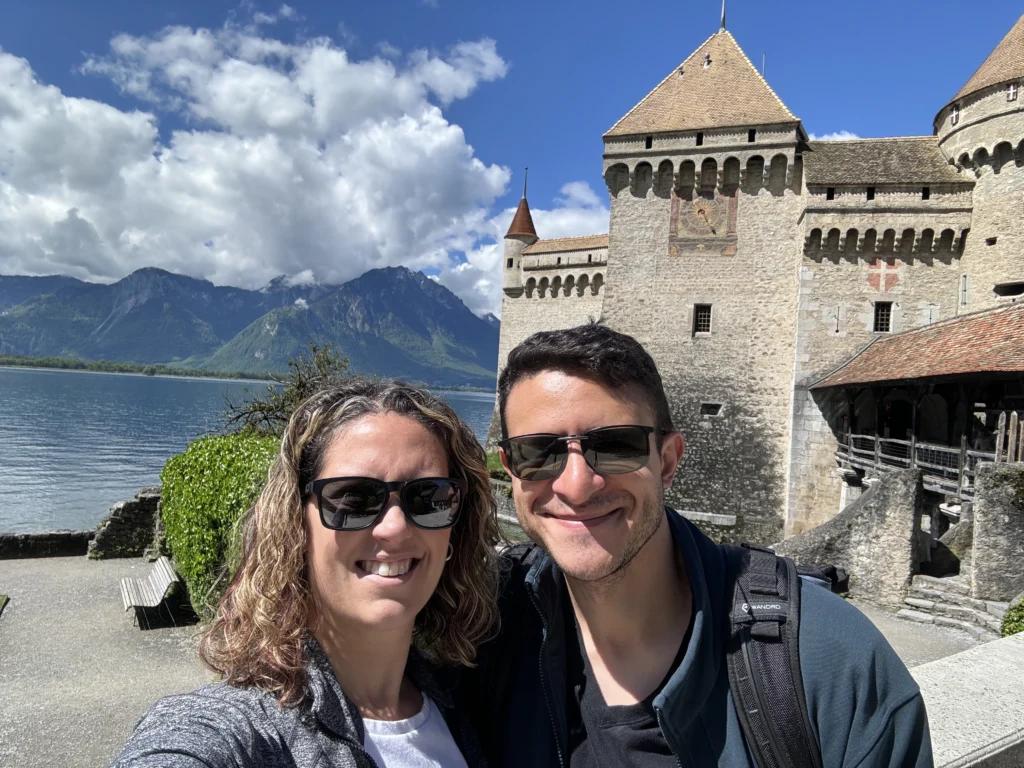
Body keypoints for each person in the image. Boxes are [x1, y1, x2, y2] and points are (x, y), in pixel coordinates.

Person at [463, 322, 931, 767]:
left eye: (616, 445)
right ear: (509, 467)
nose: (577, 485)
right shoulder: (483, 632)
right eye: (537, 452)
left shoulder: (829, 661)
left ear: (667, 461)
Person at [114, 379, 501, 767]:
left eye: (429, 498)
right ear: (296, 524)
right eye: (355, 498)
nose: (396, 527)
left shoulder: (471, 703)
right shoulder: (242, 729)